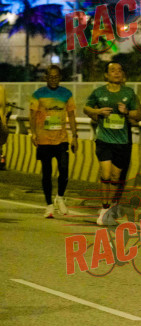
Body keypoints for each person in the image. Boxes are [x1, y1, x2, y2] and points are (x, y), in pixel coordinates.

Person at [84, 62, 141, 226]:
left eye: (119, 70)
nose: (116, 73)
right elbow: (86, 109)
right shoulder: (99, 92)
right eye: (112, 70)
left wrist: (127, 112)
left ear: (122, 74)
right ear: (106, 75)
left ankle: (109, 208)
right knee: (106, 174)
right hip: (104, 140)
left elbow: (139, 115)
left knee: (116, 177)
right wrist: (97, 111)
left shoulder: (129, 93)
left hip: (122, 142)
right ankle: (104, 209)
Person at [30, 65, 79, 218]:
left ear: (60, 77)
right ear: (46, 77)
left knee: (64, 169)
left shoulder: (66, 94)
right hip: (44, 140)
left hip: (61, 139)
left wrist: (75, 136)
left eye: (56, 77)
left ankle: (60, 197)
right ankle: (49, 205)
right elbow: (32, 116)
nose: (53, 79)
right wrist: (33, 134)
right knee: (47, 173)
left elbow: (71, 116)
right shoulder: (38, 94)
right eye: (50, 77)